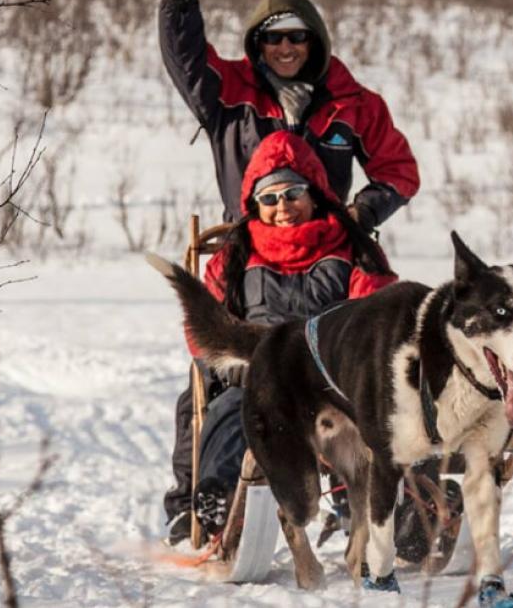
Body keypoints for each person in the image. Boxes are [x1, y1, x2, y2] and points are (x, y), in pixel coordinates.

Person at [163, 131, 396, 545]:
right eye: (269, 199)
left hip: (335, 379)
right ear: (254, 204)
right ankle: (216, 503)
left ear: (314, 194)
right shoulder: (235, 256)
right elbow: (202, 329)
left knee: (390, 411)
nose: (282, 207)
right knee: (230, 408)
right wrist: (233, 365)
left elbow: (378, 310)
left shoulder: (349, 246)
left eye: (292, 193)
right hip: (257, 375)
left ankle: (406, 507)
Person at [157, 0, 419, 230]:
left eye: (297, 36)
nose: (285, 48)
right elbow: (185, 58)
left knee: (379, 277)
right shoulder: (228, 91)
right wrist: (177, 0)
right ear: (258, 44)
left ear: (314, 41)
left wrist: (364, 212)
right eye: (272, 37)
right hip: (248, 248)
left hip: (324, 246)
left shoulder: (353, 102)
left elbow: (399, 171)